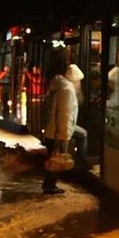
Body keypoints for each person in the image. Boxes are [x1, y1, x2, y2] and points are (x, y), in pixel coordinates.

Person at [42, 64, 84, 194]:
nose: (80, 84)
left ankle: (49, 185)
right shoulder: (68, 91)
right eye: (79, 81)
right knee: (56, 160)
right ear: (75, 80)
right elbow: (64, 115)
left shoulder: (61, 87)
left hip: (54, 130)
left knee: (54, 159)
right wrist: (63, 136)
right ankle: (50, 186)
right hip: (58, 132)